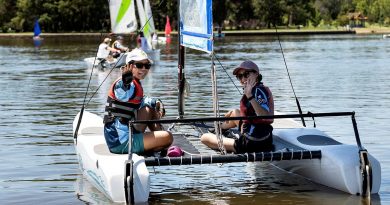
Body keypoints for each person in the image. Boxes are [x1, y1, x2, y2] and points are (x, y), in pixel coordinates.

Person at [103, 48, 173, 154]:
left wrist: (156, 102)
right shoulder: (125, 84)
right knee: (168, 137)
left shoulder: (136, 83)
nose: (144, 69)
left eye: (147, 65)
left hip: (127, 133)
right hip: (120, 142)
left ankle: (158, 141)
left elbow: (143, 99)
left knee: (149, 109)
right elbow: (122, 93)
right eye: (139, 65)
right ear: (129, 66)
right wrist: (125, 82)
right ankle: (159, 143)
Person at [200, 60, 274, 153]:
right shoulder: (258, 88)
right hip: (262, 136)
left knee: (204, 138)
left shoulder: (257, 92)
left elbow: (264, 115)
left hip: (251, 143)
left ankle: (220, 133)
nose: (243, 79)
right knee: (235, 112)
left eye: (246, 74)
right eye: (240, 76)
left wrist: (249, 96)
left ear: (256, 75)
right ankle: (221, 129)